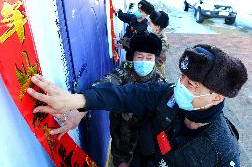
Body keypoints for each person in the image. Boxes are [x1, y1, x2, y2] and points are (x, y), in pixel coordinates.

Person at [27, 44, 247, 167]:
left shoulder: (221, 151)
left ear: (216, 97)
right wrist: (77, 101)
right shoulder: (167, 95)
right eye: (181, 77)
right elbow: (125, 95)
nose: (179, 86)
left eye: (190, 84)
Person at [48, 33, 164, 167]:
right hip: (120, 143)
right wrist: (81, 107)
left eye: (149, 58)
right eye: (140, 56)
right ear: (132, 57)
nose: (144, 61)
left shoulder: (161, 86)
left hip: (144, 151)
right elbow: (105, 83)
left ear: (155, 59)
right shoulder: (125, 71)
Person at [147, 10, 169, 76]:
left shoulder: (161, 42)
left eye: (151, 23)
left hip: (156, 71)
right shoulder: (156, 34)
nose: (149, 24)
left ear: (158, 27)